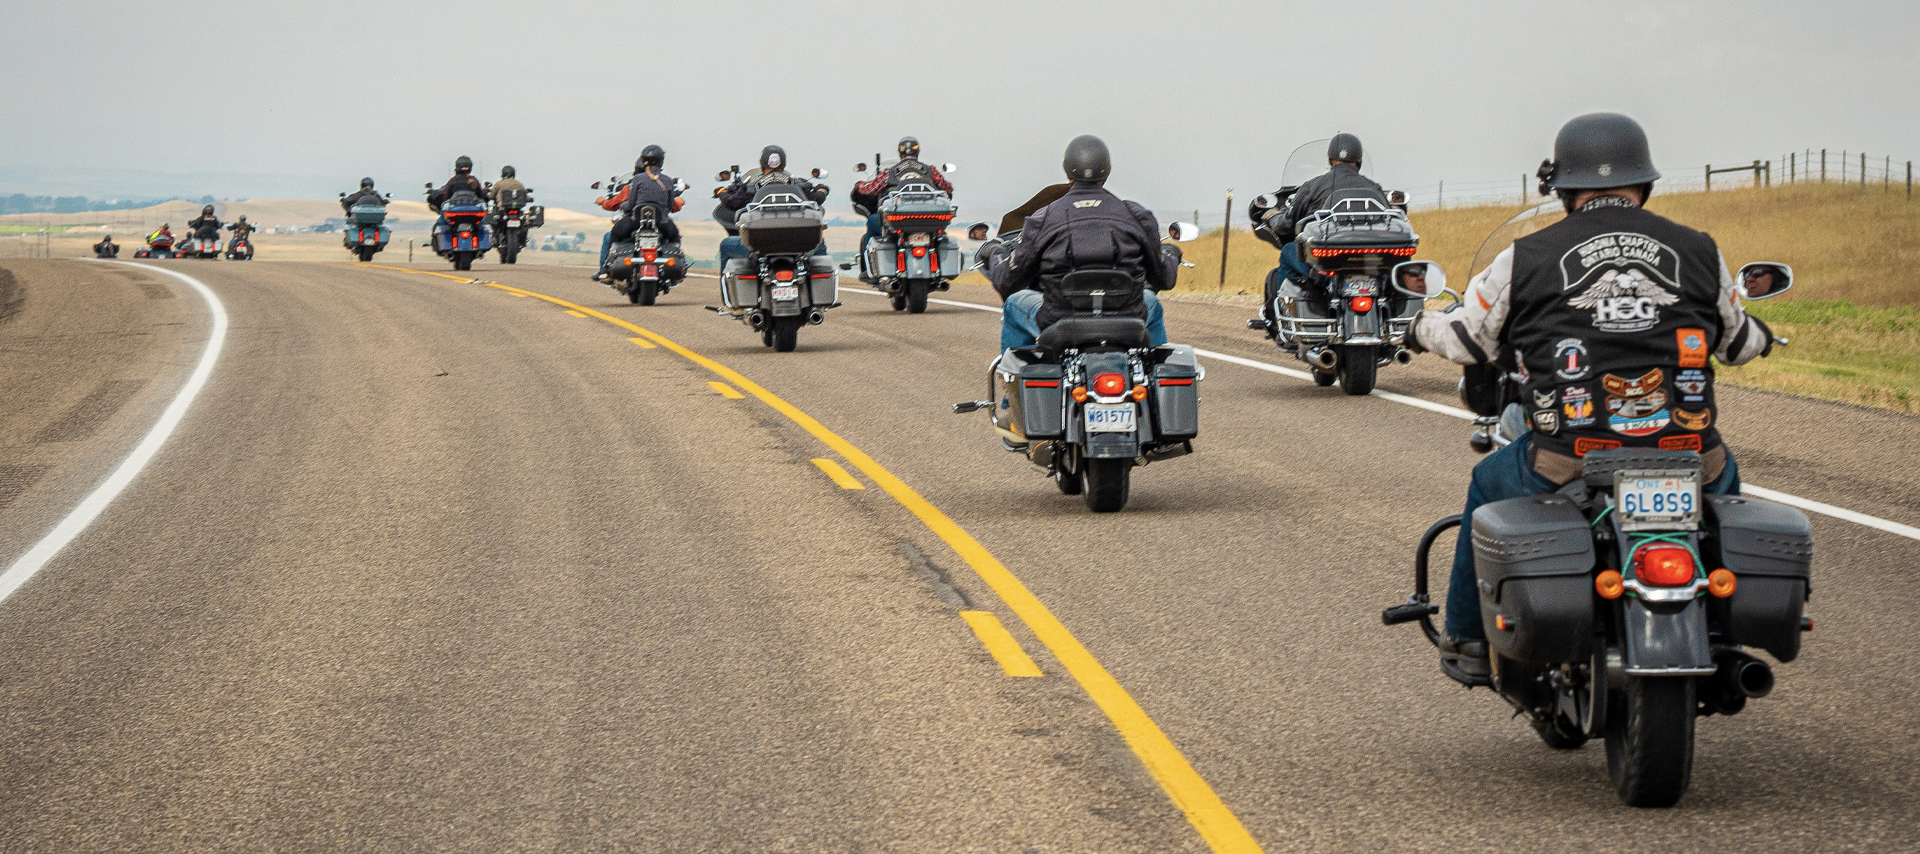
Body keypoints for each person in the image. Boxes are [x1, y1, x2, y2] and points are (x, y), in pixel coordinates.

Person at [1402, 112, 1778, 679]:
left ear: (1564, 187)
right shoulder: (1699, 250)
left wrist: (1413, 327)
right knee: (1724, 481)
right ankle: (1718, 624)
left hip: (1569, 460)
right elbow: (1739, 344)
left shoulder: (1525, 256)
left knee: (1487, 482)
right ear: (1644, 182)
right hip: (1690, 459)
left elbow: (1466, 340)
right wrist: (1766, 336)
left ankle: (1471, 640)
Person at [982, 135, 1170, 350]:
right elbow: (1164, 278)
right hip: (1129, 318)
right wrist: (1172, 254)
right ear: (1107, 170)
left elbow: (1007, 281)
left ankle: (1021, 373)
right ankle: (1153, 364)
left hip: (1058, 321)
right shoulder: (1136, 215)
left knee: (1013, 303)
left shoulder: (1043, 218)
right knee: (1151, 301)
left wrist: (996, 253)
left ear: (1067, 169)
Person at [1253, 134, 1391, 319]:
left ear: (1330, 160)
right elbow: (1388, 221)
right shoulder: (1374, 189)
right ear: (1359, 161)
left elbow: (1288, 223)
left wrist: (1273, 217)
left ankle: (1278, 316)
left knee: (1288, 251)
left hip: (1327, 261)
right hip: (1369, 262)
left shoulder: (1314, 186)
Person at [714, 145, 829, 270]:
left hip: (759, 247)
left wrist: (721, 192)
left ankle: (726, 289)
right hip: (798, 245)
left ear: (762, 165)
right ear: (783, 165)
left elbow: (732, 202)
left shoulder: (752, 187)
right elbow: (818, 198)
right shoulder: (798, 185)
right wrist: (824, 189)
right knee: (820, 244)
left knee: (726, 245)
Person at [594, 146, 684, 281]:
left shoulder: (637, 180)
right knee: (675, 237)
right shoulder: (667, 180)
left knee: (613, 234)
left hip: (636, 221)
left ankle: (605, 270)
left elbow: (630, 204)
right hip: (662, 223)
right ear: (661, 161)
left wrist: (624, 206)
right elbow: (671, 205)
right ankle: (678, 269)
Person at [851, 136, 953, 253]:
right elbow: (948, 188)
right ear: (917, 151)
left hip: (898, 222)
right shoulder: (931, 171)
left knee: (873, 221)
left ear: (900, 152)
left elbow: (870, 189)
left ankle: (866, 264)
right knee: (942, 233)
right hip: (928, 222)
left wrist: (859, 185)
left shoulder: (889, 172)